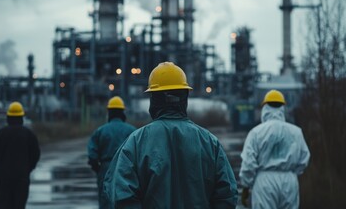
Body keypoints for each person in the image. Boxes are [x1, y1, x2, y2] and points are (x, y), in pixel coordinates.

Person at [105, 61, 238, 208]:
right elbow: (227, 195)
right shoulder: (210, 143)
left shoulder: (135, 143)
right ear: (185, 97)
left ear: (153, 99)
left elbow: (120, 195)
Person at [239, 89, 310, 209]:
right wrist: (291, 173)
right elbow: (304, 159)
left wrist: (246, 186)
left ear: (265, 108)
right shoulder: (296, 132)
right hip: (289, 181)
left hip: (264, 182)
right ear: (283, 108)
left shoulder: (256, 132)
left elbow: (248, 163)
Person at [0, 101, 40, 209]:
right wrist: (26, 170)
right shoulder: (29, 135)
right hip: (21, 179)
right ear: (22, 117)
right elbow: (35, 155)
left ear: (8, 117)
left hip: (2, 179)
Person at [87, 96, 136, 209]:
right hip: (127, 169)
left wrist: (99, 170)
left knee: (106, 201)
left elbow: (92, 157)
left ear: (109, 113)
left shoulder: (100, 131)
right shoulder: (133, 131)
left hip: (105, 169)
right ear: (122, 113)